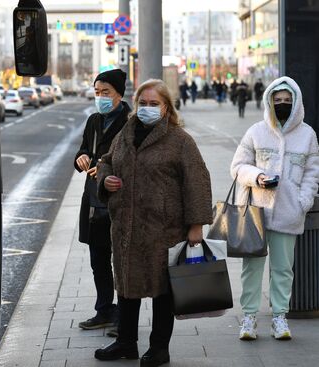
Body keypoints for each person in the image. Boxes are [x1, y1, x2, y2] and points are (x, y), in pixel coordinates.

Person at [94, 79, 213, 366]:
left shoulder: (179, 140)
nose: (147, 108)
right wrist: (105, 179)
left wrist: (196, 226)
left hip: (164, 230)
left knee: (162, 290)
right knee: (125, 286)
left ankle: (159, 348)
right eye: (143, 104)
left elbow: (198, 182)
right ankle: (126, 342)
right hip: (127, 227)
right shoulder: (126, 132)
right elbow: (107, 161)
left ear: (166, 107)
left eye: (153, 104)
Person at [231, 76, 319, 341]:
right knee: (252, 268)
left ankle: (279, 317)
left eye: (287, 101)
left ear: (296, 103)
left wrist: (303, 202)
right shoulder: (256, 131)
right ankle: (249, 318)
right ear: (269, 102)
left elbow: (312, 173)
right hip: (255, 212)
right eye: (277, 100)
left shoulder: (307, 135)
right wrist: (256, 176)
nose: (282, 104)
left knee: (283, 268)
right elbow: (237, 166)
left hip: (289, 213)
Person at [74, 69, 130, 334]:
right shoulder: (94, 120)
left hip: (121, 201)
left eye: (105, 93)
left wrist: (108, 170)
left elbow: (136, 163)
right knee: (98, 259)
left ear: (119, 93)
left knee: (122, 261)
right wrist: (82, 158)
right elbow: (85, 149)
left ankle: (124, 317)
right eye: (97, 93)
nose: (101, 97)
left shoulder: (131, 122)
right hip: (95, 201)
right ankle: (104, 310)